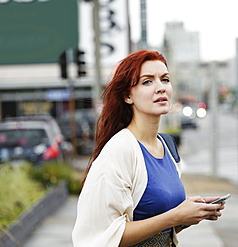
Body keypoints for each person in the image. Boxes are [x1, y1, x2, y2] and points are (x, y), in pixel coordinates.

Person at [72, 50, 226, 247]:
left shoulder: (167, 146)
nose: (160, 88)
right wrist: (174, 216)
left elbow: (157, 224)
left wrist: (190, 214)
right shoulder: (119, 150)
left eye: (165, 79)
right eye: (147, 81)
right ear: (128, 95)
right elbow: (103, 237)